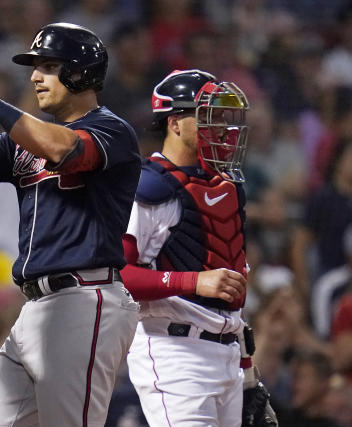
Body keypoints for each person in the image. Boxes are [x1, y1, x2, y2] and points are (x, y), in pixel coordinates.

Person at [0, 22, 141, 426]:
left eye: (47, 66)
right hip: (34, 307)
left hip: (85, 297)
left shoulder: (112, 129)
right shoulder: (26, 138)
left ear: (79, 72)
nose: (34, 77)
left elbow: (65, 149)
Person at [118, 69, 265, 426]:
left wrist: (247, 371)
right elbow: (116, 275)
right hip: (174, 352)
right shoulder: (148, 188)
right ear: (175, 123)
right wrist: (193, 282)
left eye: (223, 118)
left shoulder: (226, 187)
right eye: (208, 117)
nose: (221, 129)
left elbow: (232, 295)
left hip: (229, 353)